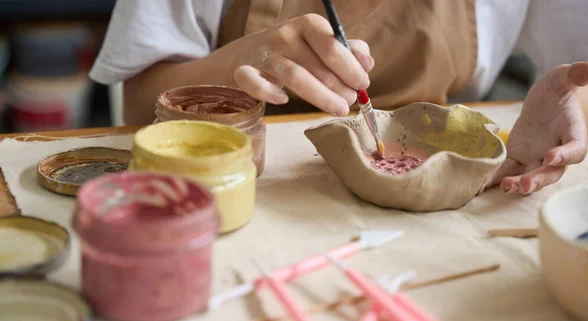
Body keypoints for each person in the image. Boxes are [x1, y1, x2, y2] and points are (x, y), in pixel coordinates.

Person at [90, 0, 588, 195]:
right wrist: (242, 63)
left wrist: (567, 103)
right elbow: (138, 110)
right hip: (244, 197)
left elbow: (578, 72)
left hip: (446, 212)